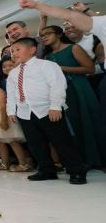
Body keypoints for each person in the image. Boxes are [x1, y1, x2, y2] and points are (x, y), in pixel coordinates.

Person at [5, 37, 87, 184]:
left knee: (61, 141)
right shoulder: (13, 73)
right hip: (25, 113)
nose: (14, 53)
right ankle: (46, 170)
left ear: (32, 50)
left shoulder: (47, 65)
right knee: (36, 144)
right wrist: (11, 111)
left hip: (47, 110)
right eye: (12, 51)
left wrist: (55, 106)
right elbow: (11, 94)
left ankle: (77, 170)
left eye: (18, 49)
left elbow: (57, 85)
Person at [41, 25, 103, 168]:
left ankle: (97, 159)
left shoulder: (73, 48)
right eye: (42, 35)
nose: (44, 37)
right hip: (63, 92)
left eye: (47, 34)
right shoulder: (47, 57)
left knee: (89, 120)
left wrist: (61, 69)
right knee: (74, 125)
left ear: (58, 34)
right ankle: (82, 160)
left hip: (79, 87)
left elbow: (90, 68)